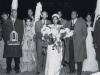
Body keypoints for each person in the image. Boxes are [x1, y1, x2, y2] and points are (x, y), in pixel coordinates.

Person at [2, 0, 24, 73]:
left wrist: (19, 41)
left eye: (16, 12)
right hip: (9, 43)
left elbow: (21, 32)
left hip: (17, 43)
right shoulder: (6, 22)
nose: (15, 14)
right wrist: (6, 41)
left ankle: (17, 68)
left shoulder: (20, 22)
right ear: (11, 13)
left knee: (17, 57)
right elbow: (4, 33)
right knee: (9, 57)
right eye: (14, 12)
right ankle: (8, 68)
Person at [68, 11, 87, 75]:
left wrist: (82, 40)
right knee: (71, 57)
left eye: (74, 14)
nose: (72, 14)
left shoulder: (81, 22)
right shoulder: (69, 22)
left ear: (77, 15)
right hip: (70, 42)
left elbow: (85, 32)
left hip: (79, 43)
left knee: (79, 57)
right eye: (71, 14)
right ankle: (72, 70)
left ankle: (79, 72)